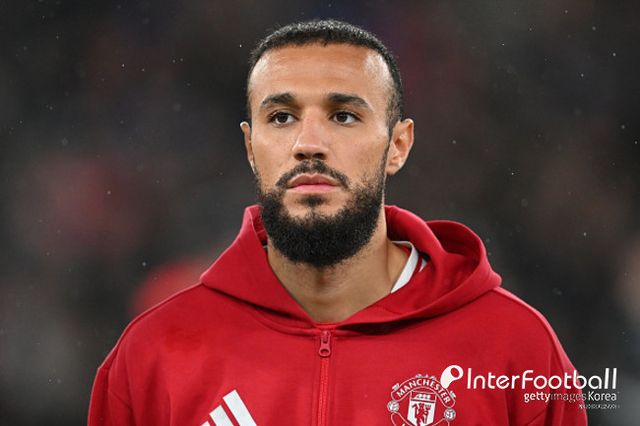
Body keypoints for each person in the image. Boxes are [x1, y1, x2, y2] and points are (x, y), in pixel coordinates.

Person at [88, 19, 588, 425]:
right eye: (281, 117)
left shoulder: (514, 349)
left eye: (343, 115)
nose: (309, 143)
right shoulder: (154, 354)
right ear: (250, 147)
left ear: (398, 145)